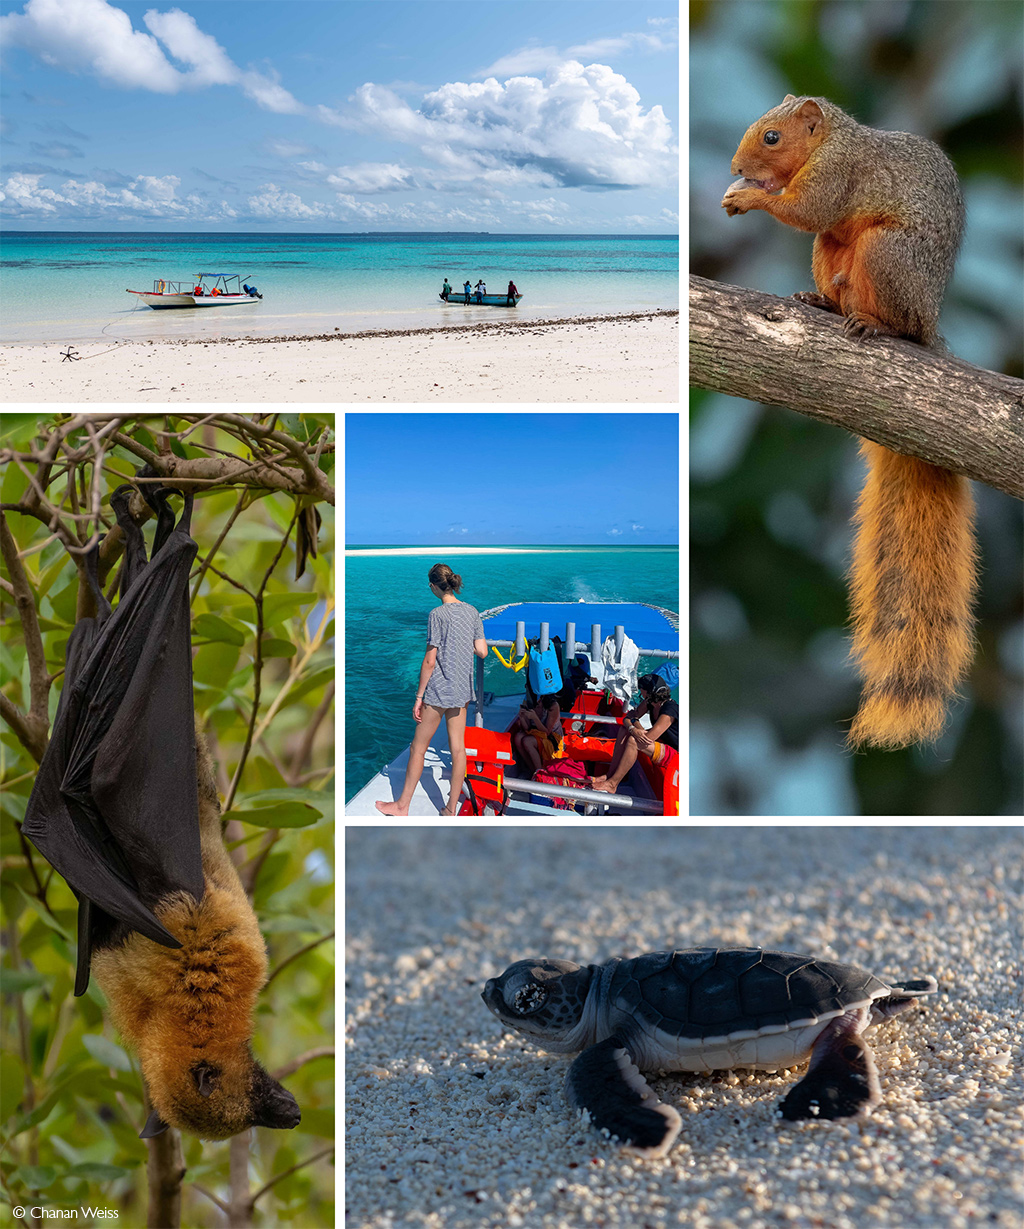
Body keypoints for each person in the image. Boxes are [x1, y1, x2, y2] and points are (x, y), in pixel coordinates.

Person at [376, 563, 488, 816]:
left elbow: (429, 661)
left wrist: (418, 697)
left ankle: (402, 805)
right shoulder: (472, 612)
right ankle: (450, 809)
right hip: (462, 690)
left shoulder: (437, 615)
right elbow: (482, 651)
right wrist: (462, 645)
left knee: (418, 748)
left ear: (434, 586)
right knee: (458, 749)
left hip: (438, 690)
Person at [590, 673, 678, 795]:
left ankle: (613, 784)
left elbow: (648, 739)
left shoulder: (669, 710)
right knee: (623, 731)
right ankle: (610, 775)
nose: (640, 692)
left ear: (648, 691)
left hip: (675, 755)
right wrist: (632, 728)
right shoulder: (649, 702)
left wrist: (634, 726)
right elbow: (627, 718)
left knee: (633, 741)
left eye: (641, 690)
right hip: (661, 743)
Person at [512, 688, 562, 775]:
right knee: (518, 737)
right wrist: (522, 717)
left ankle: (541, 773)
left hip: (551, 737)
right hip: (535, 733)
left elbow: (547, 732)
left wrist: (535, 718)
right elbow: (526, 728)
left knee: (527, 741)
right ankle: (533, 770)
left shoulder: (553, 706)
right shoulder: (528, 703)